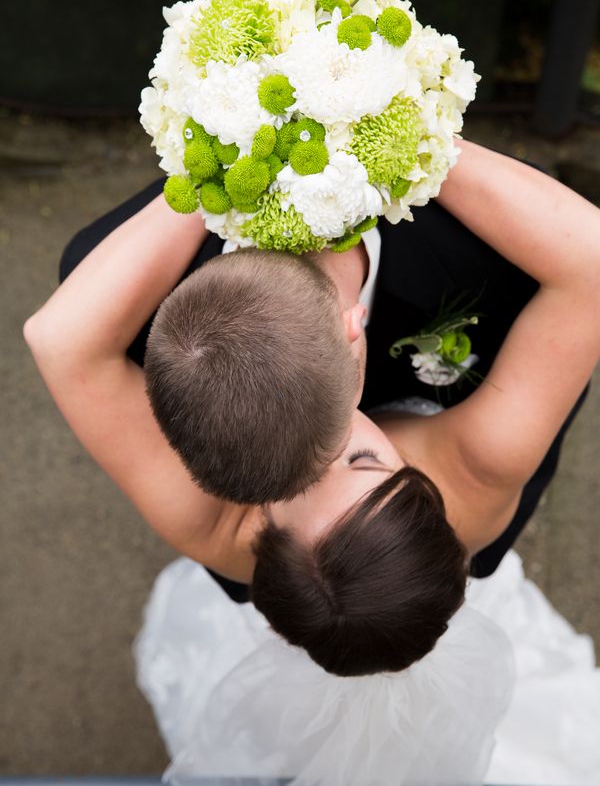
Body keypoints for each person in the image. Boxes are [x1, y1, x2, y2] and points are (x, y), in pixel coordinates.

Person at [24, 141, 600, 780]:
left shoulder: (211, 525)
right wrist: (406, 132)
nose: (316, 450)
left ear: (261, 533)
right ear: (415, 482)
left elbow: (59, 341)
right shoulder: (484, 465)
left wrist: (217, 156)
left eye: (295, 487)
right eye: (360, 460)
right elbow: (593, 262)